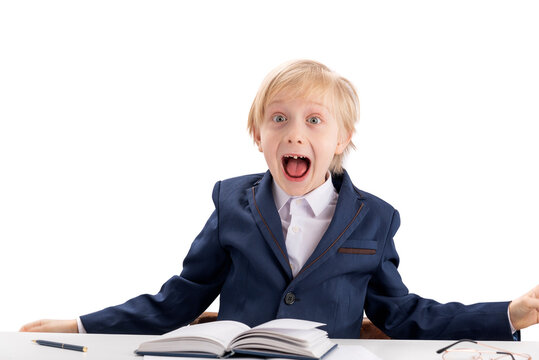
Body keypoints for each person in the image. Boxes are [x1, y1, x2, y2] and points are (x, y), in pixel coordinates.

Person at [20, 60, 539, 339]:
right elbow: (179, 297)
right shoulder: (230, 201)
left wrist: (507, 315)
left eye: (314, 120)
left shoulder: (375, 218)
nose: (294, 133)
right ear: (258, 135)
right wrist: (81, 324)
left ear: (340, 139)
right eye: (279, 119)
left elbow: (401, 314)